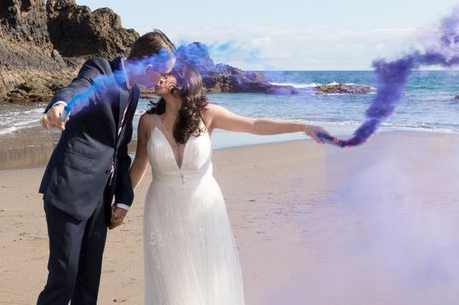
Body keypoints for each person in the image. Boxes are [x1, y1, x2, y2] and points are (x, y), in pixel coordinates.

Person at [130, 59, 328, 304]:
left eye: (167, 74)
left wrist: (304, 127)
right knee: (171, 283)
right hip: (163, 210)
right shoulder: (148, 121)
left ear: (184, 79)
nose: (158, 77)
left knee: (209, 279)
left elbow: (254, 125)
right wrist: (121, 204)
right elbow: (139, 163)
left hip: (204, 209)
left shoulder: (208, 114)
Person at [37, 30, 176, 305]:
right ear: (148, 68)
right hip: (70, 192)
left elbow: (119, 149)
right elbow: (79, 87)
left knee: (88, 288)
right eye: (163, 73)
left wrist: (123, 198)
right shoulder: (100, 69)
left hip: (100, 201)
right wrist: (61, 105)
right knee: (63, 281)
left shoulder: (134, 91)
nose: (163, 80)